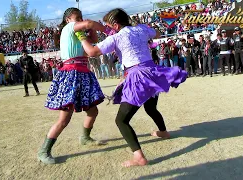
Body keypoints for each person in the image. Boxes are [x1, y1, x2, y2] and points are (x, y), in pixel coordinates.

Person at [79, 8, 187, 167]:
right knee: (151, 108)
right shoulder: (141, 29)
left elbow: (92, 52)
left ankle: (139, 157)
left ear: (115, 25)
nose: (107, 29)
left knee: (121, 121)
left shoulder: (115, 38)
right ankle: (163, 132)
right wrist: (143, 30)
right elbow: (156, 34)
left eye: (108, 26)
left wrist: (81, 36)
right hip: (152, 73)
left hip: (138, 77)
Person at [38, 8, 106, 165]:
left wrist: (89, 30)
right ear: (68, 19)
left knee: (93, 111)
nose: (81, 19)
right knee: (64, 118)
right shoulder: (68, 28)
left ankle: (85, 137)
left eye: (81, 17)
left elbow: (93, 41)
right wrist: (105, 29)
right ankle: (44, 151)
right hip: (71, 74)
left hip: (82, 73)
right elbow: (89, 23)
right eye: (78, 17)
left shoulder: (78, 33)